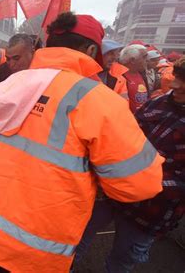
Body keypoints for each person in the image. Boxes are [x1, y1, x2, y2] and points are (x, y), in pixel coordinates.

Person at [0, 12, 164, 272]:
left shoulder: (9, 85)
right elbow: (139, 186)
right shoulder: (98, 100)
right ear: (91, 49)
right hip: (40, 247)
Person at [74, 55, 185, 271]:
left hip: (151, 210)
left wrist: (140, 180)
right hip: (112, 192)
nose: (175, 84)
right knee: (75, 241)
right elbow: (127, 133)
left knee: (121, 262)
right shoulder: (159, 102)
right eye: (177, 76)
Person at [0, 34, 34, 98]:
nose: (12, 64)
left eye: (16, 58)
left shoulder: (44, 73)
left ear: (32, 52)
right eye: (8, 59)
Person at [120, 44, 149, 112]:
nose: (147, 60)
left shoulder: (142, 74)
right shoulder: (118, 76)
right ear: (132, 60)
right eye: (144, 57)